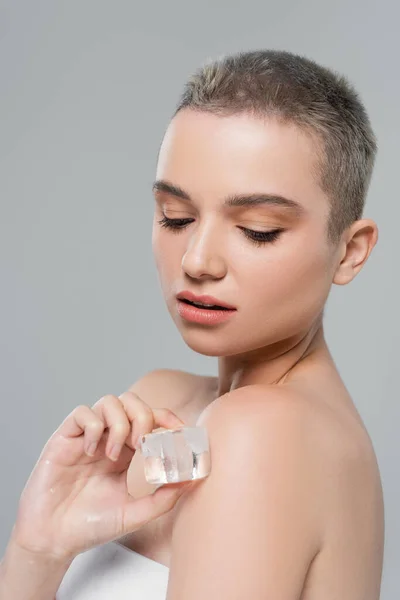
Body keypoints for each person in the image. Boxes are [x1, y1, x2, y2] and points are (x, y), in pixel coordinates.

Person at [0, 48, 384, 599]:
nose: (198, 260)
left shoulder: (263, 431)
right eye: (175, 217)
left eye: (257, 229)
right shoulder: (164, 404)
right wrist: (37, 547)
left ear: (350, 251)